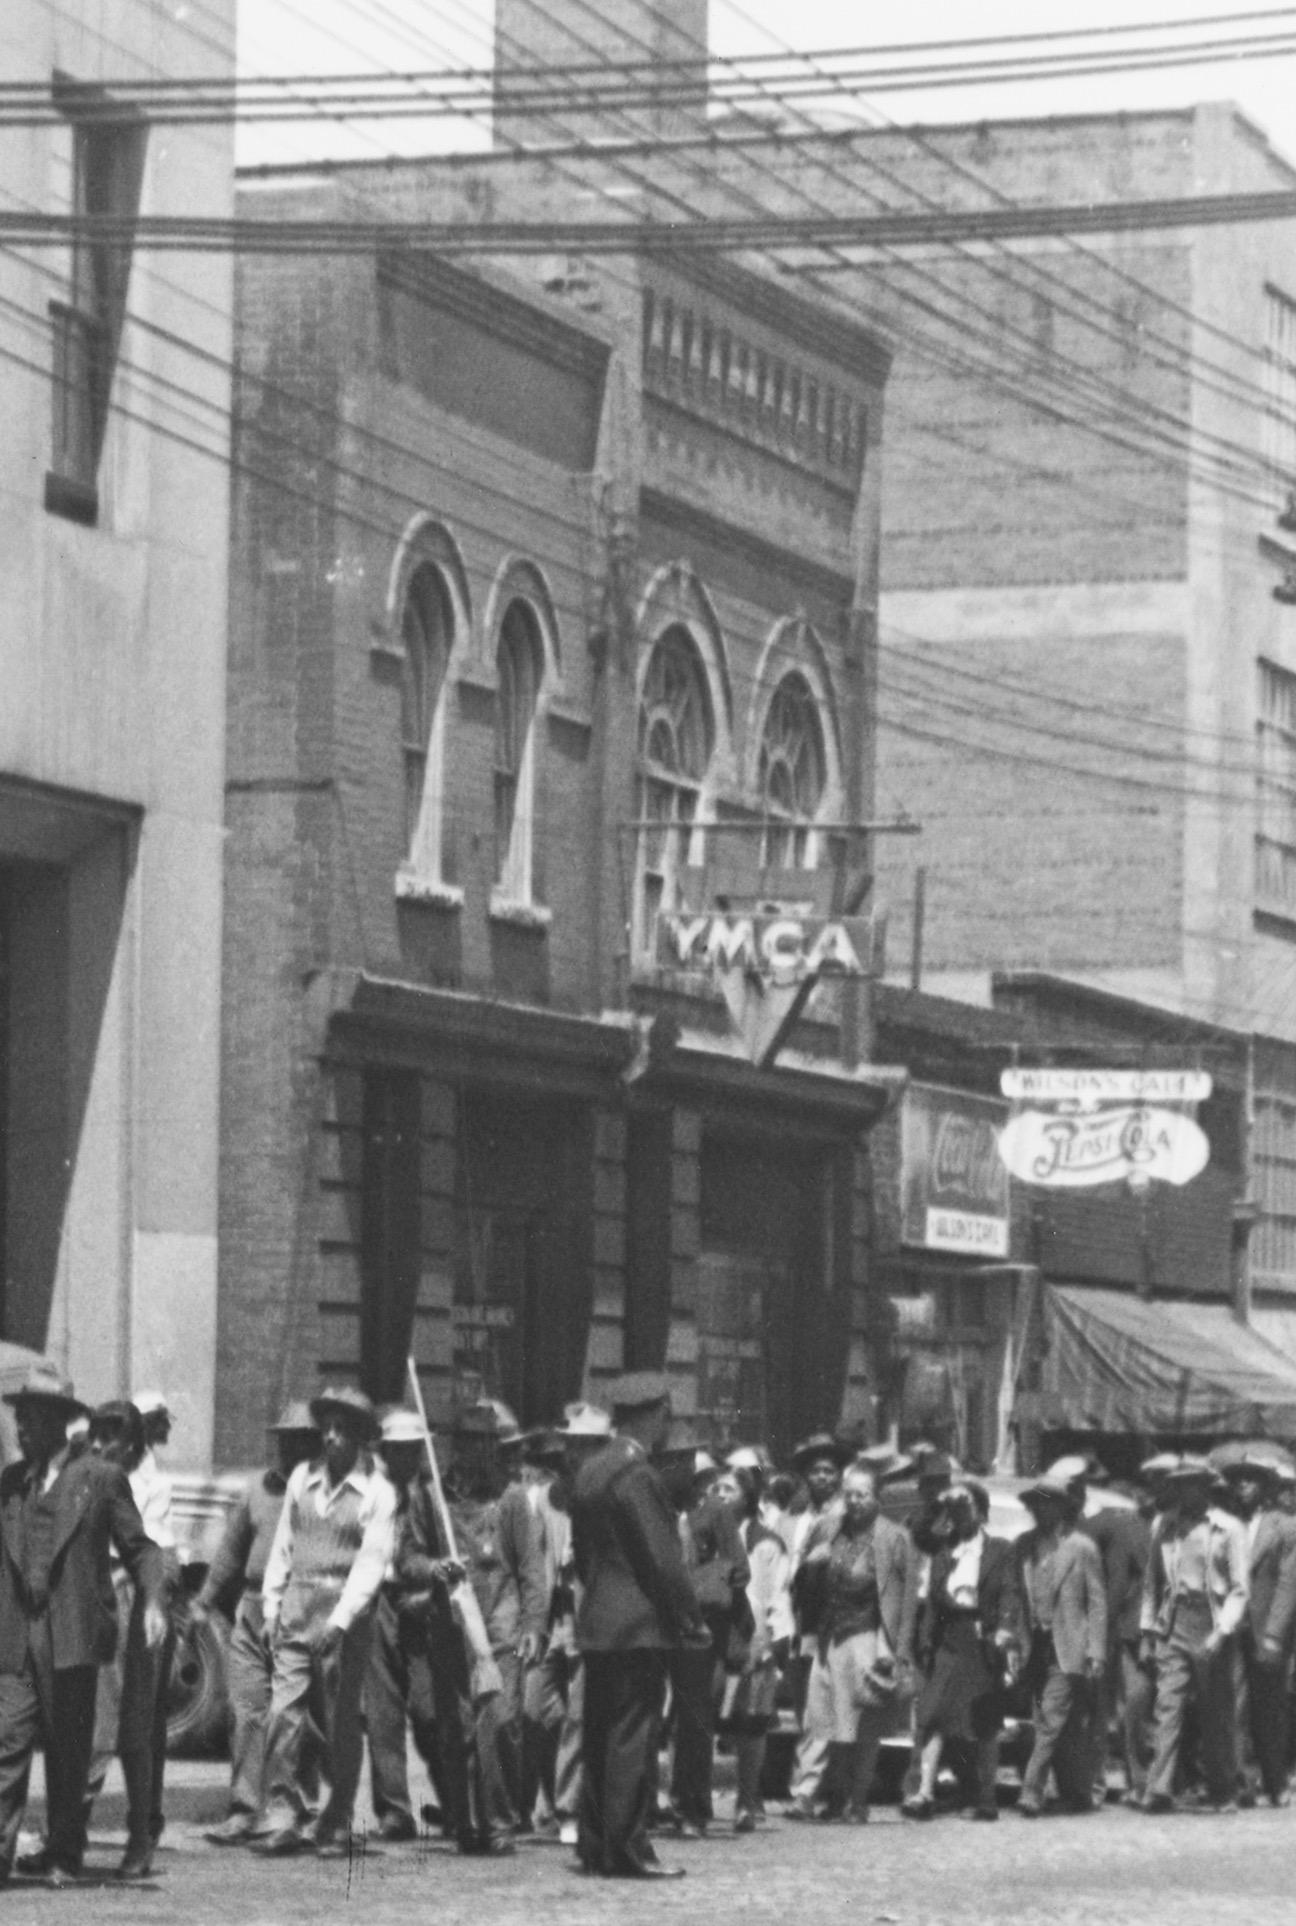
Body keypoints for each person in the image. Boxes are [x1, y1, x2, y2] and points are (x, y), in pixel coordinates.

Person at [0, 1363, 166, 1887]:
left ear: (56, 1421)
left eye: (31, 1418)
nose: (20, 1428)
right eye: (18, 1418)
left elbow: (143, 1550)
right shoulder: (9, 1484)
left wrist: (156, 1600)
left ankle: (64, 1854)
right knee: (5, 1740)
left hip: (70, 1632)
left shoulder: (97, 1479)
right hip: (16, 1635)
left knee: (69, 1752)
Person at [569, 1372, 703, 1880]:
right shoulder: (639, 1475)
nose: (668, 1425)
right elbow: (663, 1562)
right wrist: (689, 1617)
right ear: (649, 1415)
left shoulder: (589, 1470)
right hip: (640, 1624)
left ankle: (594, 1842)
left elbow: (583, 1556)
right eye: (666, 1415)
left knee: (600, 1735)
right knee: (632, 1738)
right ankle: (627, 1849)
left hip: (599, 1619)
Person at [256, 1385, 396, 1855]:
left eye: (342, 1430)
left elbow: (372, 1564)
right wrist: (271, 1607)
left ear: (359, 1438)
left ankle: (337, 1819)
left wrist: (339, 1621)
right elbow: (284, 1547)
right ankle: (283, 1812)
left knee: (338, 1724)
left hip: (344, 1622)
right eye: (327, 1429)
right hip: (297, 1611)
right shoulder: (301, 1479)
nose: (331, 1438)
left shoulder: (378, 1493)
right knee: (283, 1714)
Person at [195, 1402, 321, 1845]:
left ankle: (301, 1812)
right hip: (250, 1609)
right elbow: (230, 1551)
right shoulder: (257, 1490)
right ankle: (244, 1809)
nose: (291, 1448)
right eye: (286, 1439)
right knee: (245, 1709)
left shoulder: (322, 1492)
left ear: (317, 1443)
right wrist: (205, 1600)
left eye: (301, 1439)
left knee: (296, 1715)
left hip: (299, 1607)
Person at [436, 1400, 547, 1853]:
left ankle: (500, 1822)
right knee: (457, 1733)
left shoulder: (512, 1500)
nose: (476, 1454)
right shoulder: (436, 1501)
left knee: (499, 1723)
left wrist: (535, 1623)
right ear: (456, 1449)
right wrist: (430, 1567)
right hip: (450, 1632)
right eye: (467, 1444)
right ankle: (465, 1824)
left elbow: (531, 1571)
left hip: (501, 1633)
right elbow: (406, 1557)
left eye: (485, 1445)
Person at [82, 1399, 180, 1879]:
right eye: (96, 1432)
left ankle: (140, 1836)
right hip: (91, 1604)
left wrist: (153, 1606)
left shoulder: (152, 1486)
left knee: (131, 1729)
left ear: (134, 1441)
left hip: (134, 1609)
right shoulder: (85, 1474)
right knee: (87, 1721)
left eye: (111, 1435)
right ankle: (70, 1834)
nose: (100, 1443)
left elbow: (152, 1554)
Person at [789, 1463, 918, 1824]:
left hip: (867, 1637)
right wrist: (810, 1567)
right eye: (849, 1495)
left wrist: (895, 1650)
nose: (855, 1502)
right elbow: (802, 1585)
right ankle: (834, 1795)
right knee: (825, 1719)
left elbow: (904, 1600)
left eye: (862, 1494)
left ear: (878, 1498)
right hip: (829, 1636)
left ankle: (857, 1801)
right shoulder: (829, 1529)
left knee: (862, 1725)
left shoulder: (893, 1537)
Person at [905, 1482, 1020, 1822]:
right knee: (932, 1714)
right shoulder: (942, 1548)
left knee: (984, 1721)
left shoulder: (1000, 1549)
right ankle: (923, 1792)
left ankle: (986, 1800)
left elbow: (1010, 1592)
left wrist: (1005, 1629)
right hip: (947, 1637)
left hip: (981, 1637)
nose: (959, 1512)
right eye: (955, 1509)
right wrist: (941, 1502)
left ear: (982, 1513)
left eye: (966, 1505)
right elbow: (919, 1532)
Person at [1140, 1457, 1248, 1813]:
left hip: (1212, 1622)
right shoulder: (1164, 1526)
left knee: (1216, 1711)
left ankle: (1223, 1789)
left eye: (1192, 1484)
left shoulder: (1228, 1529)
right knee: (1166, 1705)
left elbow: (1238, 1589)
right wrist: (1149, 1632)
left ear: (1205, 1487)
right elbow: (1153, 1585)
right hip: (1175, 1623)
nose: (1185, 1491)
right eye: (1180, 1484)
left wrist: (1222, 1631)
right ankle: (1159, 1788)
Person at [658, 1429, 750, 1839]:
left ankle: (691, 1806)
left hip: (701, 1626)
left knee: (694, 1718)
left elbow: (739, 1567)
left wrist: (705, 1583)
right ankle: (651, 1803)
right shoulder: (660, 1510)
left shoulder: (715, 1512)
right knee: (658, 1718)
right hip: (661, 1620)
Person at [363, 1407, 447, 1842]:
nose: (406, 1458)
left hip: (423, 1606)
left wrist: (430, 1590)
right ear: (385, 1452)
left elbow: (440, 1552)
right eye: (398, 1450)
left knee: (429, 1708)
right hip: (380, 1601)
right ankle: (394, 1811)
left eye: (413, 1450)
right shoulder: (371, 1492)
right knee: (383, 1713)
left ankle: (453, 1799)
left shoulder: (431, 1497)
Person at [1014, 1474, 1107, 1818]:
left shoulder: (1082, 1547)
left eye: (1047, 1502)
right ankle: (1078, 1792)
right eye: (1035, 1502)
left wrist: (1096, 1651)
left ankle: (1031, 1793)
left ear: (1061, 1508)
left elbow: (1096, 1602)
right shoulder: (1024, 1545)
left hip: (1069, 1645)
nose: (1040, 1509)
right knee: (1057, 1724)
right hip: (1034, 1647)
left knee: (1050, 1721)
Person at [720, 1451, 794, 1833]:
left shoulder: (766, 1544)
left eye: (728, 1489)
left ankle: (747, 1800)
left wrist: (766, 1648)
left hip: (752, 1638)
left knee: (750, 1724)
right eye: (717, 1488)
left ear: (747, 1496)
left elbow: (772, 1598)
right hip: (716, 1637)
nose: (720, 1495)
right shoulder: (709, 1534)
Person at [1221, 1455, 1296, 1808]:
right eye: (1238, 1481)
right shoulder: (1226, 1524)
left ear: (1265, 1487)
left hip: (1267, 1628)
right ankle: (1240, 1782)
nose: (1243, 1487)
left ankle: (1275, 1781)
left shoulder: (1284, 1526)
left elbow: (1288, 1583)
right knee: (1233, 1706)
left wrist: (1276, 1632)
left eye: (1251, 1480)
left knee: (1269, 1708)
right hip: (1234, 1627)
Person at [1080, 1477, 1155, 1806]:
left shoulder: (1108, 1523)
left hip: (1120, 1630)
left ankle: (1095, 1786)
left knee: (1103, 1709)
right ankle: (1139, 1784)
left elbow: (1117, 1580)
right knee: (1131, 1709)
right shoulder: (1135, 1524)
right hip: (1130, 1630)